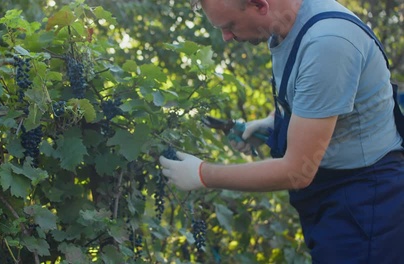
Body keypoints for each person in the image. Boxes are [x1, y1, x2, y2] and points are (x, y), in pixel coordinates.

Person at [159, 0, 404, 262]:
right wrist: (274, 122)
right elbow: (317, 101)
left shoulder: (328, 43)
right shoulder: (285, 25)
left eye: (229, 26)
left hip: (366, 200)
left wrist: (202, 174)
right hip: (333, 191)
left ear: (260, 5)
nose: (226, 37)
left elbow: (297, 172)